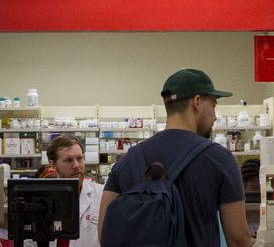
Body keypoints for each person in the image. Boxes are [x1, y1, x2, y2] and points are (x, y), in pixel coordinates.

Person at [97, 68, 252, 247]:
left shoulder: (127, 161)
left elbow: (104, 234)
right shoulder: (219, 159)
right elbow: (238, 239)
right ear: (197, 101)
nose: (215, 116)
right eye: (214, 105)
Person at [27, 136, 104, 247]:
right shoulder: (40, 198)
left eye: (79, 158)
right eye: (68, 160)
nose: (76, 165)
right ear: (52, 164)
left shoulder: (102, 195)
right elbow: (29, 241)